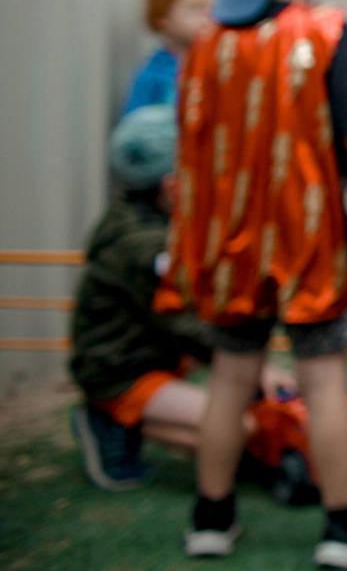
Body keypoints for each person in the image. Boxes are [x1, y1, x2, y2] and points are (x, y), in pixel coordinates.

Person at [153, 0, 347, 567]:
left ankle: (211, 519)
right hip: (309, 242)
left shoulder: (203, 45)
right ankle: (346, 529)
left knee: (231, 379)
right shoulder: (330, 34)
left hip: (227, 247)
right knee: (323, 380)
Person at [68, 105, 295, 491]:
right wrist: (255, 370)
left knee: (237, 416)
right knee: (237, 428)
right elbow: (184, 323)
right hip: (121, 372)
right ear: (171, 185)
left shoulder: (155, 220)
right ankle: (110, 419)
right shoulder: (142, 246)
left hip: (156, 354)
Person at [121, 0, 212, 116]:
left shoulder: (214, 67)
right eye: (194, 10)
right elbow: (135, 128)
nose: (205, 19)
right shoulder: (152, 75)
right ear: (164, 21)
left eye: (208, 10)